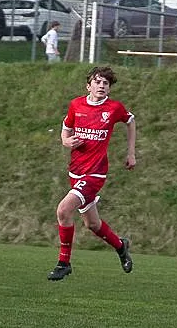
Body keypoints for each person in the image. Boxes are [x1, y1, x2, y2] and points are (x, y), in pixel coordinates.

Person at [48, 66, 136, 281]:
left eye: (106, 83)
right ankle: (121, 246)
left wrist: (131, 153)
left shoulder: (114, 108)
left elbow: (130, 121)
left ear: (109, 88)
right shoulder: (76, 105)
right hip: (75, 171)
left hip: (95, 174)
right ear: (88, 86)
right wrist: (66, 141)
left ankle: (63, 263)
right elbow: (66, 127)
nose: (102, 86)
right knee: (92, 224)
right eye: (97, 82)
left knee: (63, 210)